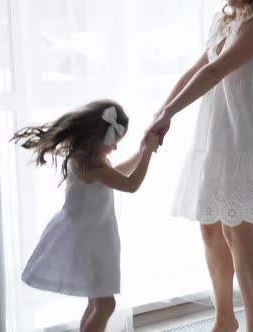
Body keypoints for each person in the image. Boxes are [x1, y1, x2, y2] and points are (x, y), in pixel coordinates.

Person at [146, 1, 253, 331]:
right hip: (215, 137)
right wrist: (161, 112)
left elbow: (215, 71)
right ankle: (224, 317)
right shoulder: (224, 20)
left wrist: (169, 114)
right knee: (209, 228)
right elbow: (194, 71)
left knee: (238, 232)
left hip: (244, 139)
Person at [12, 100, 159, 332]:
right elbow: (130, 185)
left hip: (92, 237)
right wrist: (148, 153)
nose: (115, 148)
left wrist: (141, 153)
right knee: (105, 304)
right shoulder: (91, 166)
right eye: (114, 142)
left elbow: (117, 175)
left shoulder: (88, 160)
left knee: (96, 302)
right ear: (100, 137)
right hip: (91, 241)